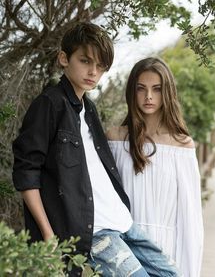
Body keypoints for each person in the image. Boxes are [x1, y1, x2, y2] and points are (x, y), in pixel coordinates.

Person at [12, 23, 181, 276]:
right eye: (85, 61)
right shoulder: (49, 105)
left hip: (123, 221)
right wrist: (48, 235)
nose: (93, 71)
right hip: (94, 231)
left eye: (101, 66)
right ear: (64, 58)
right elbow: (27, 174)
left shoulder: (88, 109)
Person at [107, 57, 204, 277]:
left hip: (168, 252)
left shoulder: (181, 145)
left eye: (157, 89)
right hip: (126, 250)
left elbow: (190, 218)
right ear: (132, 92)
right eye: (141, 89)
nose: (148, 96)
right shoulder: (115, 139)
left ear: (167, 92)